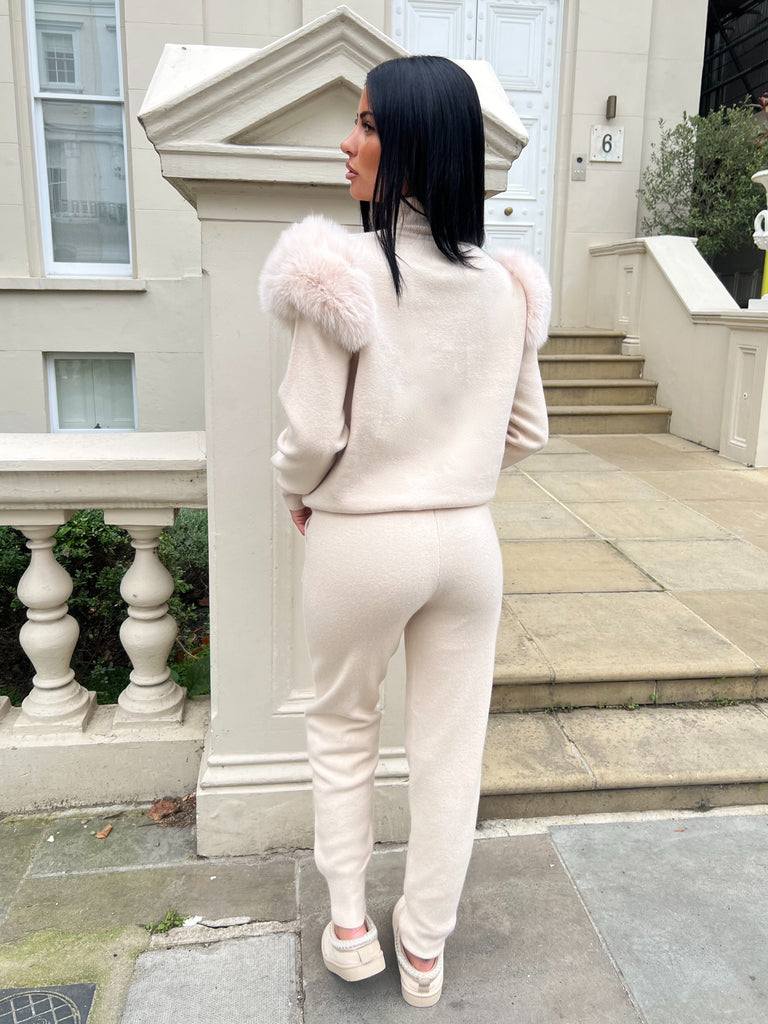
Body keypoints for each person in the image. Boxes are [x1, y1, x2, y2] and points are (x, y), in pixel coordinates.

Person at [259, 54, 550, 1008]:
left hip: (363, 541)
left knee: (345, 725)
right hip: (468, 546)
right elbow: (527, 432)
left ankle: (352, 929)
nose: (347, 143)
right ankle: (425, 947)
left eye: (369, 124)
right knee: (450, 750)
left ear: (418, 144)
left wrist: (299, 492)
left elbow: (311, 434)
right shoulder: (505, 287)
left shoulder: (339, 272)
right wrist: (456, 474)